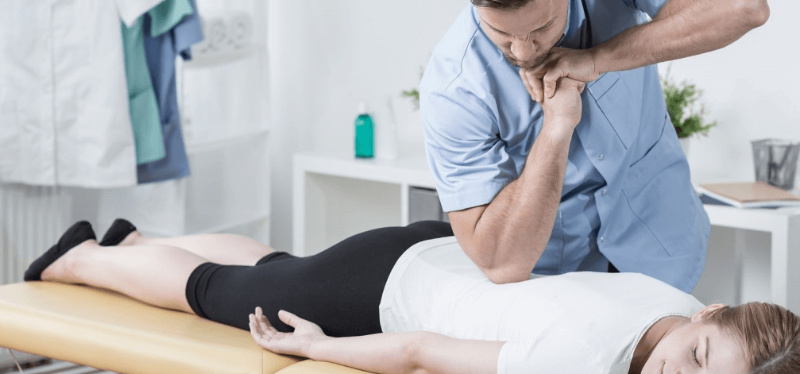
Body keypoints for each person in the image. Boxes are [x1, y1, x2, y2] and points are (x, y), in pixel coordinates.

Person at [25, 219, 800, 373]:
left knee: (279, 261)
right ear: (708, 315)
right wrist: (316, 346)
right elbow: (419, 351)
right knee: (215, 292)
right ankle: (80, 259)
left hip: (438, 244)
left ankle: (133, 241)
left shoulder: (668, 294)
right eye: (698, 358)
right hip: (380, 290)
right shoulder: (579, 361)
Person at [420, 0, 770, 291]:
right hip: (557, 288)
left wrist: (596, 59)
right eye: (502, 34)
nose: (524, 51)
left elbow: (746, 7)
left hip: (662, 244)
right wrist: (556, 129)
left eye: (542, 28)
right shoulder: (454, 88)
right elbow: (501, 263)